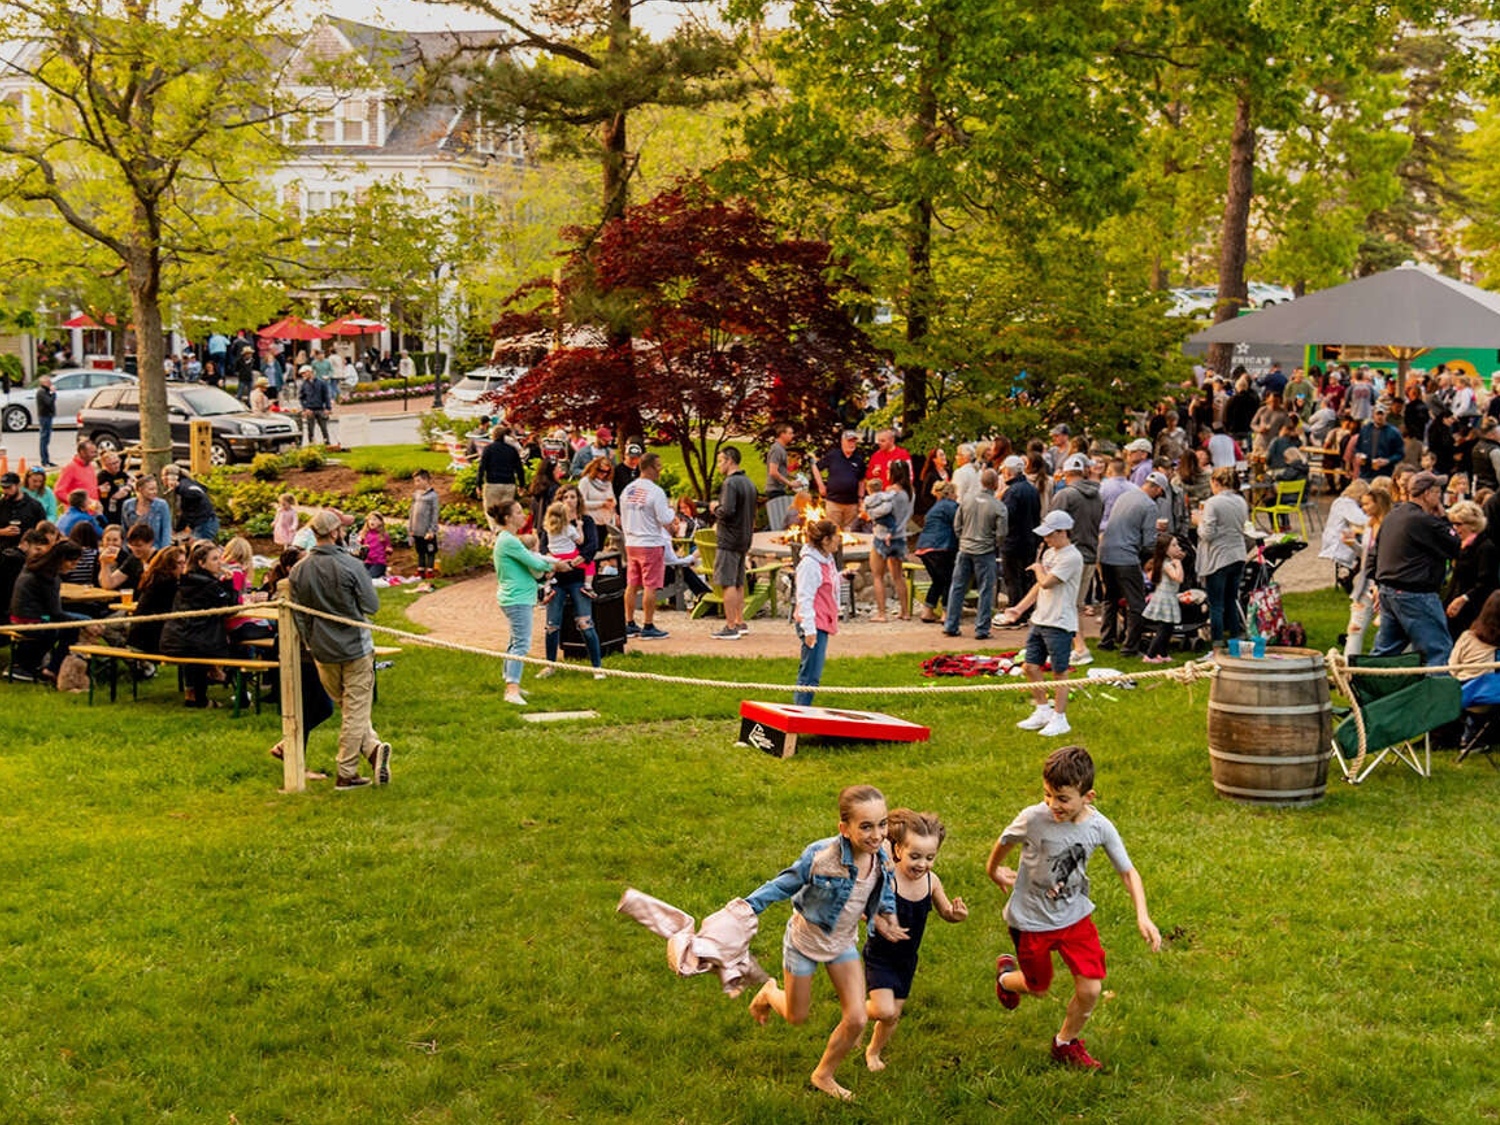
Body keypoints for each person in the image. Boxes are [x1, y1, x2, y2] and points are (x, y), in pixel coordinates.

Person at [989, 744, 1162, 1072]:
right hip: (1030, 921)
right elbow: (1005, 841)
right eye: (1047, 795)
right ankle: (1006, 978)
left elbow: (1128, 871)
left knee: (1091, 988)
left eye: (1063, 798)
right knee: (1038, 988)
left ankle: (1064, 1043)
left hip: (1074, 919)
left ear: (1089, 796)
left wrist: (1143, 914)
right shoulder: (1033, 817)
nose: (1053, 804)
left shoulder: (1099, 827)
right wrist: (993, 870)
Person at [746, 784, 905, 1102]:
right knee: (796, 1016)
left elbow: (884, 885)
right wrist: (745, 907)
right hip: (804, 942)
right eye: (866, 826)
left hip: (842, 942)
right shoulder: (822, 856)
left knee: (858, 1018)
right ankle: (768, 993)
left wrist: (885, 914)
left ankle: (823, 1075)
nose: (877, 835)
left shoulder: (882, 854)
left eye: (882, 824)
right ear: (844, 829)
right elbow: (783, 883)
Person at [289, 509, 392, 790]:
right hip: (354, 647)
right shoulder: (351, 565)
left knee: (351, 708)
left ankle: (372, 751)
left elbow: (299, 615)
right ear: (335, 533)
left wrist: (310, 640)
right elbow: (372, 606)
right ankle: (346, 774)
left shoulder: (299, 569)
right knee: (355, 710)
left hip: (321, 650)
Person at [861, 809, 968, 1073]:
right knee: (883, 1010)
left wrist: (955, 915)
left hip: (907, 959)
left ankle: (872, 1051)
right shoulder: (888, 881)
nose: (922, 864)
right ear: (897, 851)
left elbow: (944, 911)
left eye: (930, 857)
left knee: (892, 1015)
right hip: (881, 956)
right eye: (915, 856)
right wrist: (880, 922)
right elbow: (862, 909)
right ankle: (855, 1012)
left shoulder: (932, 882)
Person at [999, 510, 1084, 737]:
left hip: (1059, 622)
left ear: (1062, 532)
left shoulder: (1072, 557)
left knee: (1060, 672)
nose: (1045, 539)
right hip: (1040, 619)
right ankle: (1042, 710)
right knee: (1029, 666)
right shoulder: (1049, 553)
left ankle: (1060, 718)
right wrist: (1019, 609)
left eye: (1049, 535)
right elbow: (1038, 588)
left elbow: (1046, 582)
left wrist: (1038, 569)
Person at [1371, 470, 1461, 667]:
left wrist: (1375, 582)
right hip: (1416, 594)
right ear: (1427, 494)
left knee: (1385, 651)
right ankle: (1437, 696)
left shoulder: (1393, 515)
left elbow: (1374, 552)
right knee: (1438, 650)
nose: (1439, 497)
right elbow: (1455, 544)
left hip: (1388, 590)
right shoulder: (1424, 521)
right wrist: (1444, 517)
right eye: (1437, 492)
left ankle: (1368, 690)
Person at [491, 498, 567, 705]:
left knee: (515, 641)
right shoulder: (508, 540)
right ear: (507, 518)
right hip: (517, 598)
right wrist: (554, 567)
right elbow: (534, 561)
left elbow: (534, 559)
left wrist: (552, 564)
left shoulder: (509, 539)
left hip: (517, 596)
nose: (522, 515)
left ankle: (511, 682)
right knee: (521, 644)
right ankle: (511, 690)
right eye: (517, 512)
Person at [537, 485, 605, 680]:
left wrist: (579, 560)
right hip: (558, 578)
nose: (569, 500)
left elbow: (592, 545)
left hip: (577, 578)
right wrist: (555, 563)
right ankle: (550, 665)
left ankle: (597, 667)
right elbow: (543, 547)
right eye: (565, 497)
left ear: (578, 500)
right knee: (552, 624)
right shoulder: (551, 524)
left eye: (573, 496)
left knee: (585, 623)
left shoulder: (585, 521)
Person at [160, 541, 236, 709]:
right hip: (195, 642)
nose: (220, 563)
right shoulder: (209, 585)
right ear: (202, 563)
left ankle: (194, 693)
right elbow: (231, 609)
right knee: (236, 645)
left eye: (219, 558)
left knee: (197, 642)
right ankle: (210, 693)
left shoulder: (186, 581)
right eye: (214, 559)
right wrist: (229, 584)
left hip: (173, 640)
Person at [1048, 453, 1102, 666]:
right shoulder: (1097, 496)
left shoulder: (1066, 495)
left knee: (1066, 605)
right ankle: (1068, 646)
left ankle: (1080, 648)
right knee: (1074, 604)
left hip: (1070, 556)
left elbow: (1052, 524)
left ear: (1066, 473)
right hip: (1089, 553)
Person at [1096, 476, 1159, 657]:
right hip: (1126, 558)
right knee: (1136, 603)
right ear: (1157, 489)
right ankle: (1130, 647)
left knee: (1110, 598)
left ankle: (1106, 640)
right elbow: (1149, 542)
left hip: (1106, 553)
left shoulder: (1124, 496)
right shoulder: (1149, 506)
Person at [8, 538, 87, 681]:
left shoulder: (33, 567)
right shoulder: (49, 578)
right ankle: (52, 669)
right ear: (61, 560)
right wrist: (81, 624)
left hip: (18, 617)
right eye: (72, 563)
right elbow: (55, 614)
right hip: (34, 620)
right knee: (74, 627)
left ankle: (31, 664)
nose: (73, 567)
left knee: (78, 620)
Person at [943, 468, 1006, 639]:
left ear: (981, 482)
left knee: (957, 587)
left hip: (965, 548)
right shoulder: (999, 506)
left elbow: (957, 524)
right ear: (995, 484)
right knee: (986, 590)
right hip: (985, 551)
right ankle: (982, 628)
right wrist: (993, 543)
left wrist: (963, 538)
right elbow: (1001, 534)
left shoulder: (967, 500)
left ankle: (951, 624)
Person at [619, 452, 676, 640]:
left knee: (632, 583)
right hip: (650, 542)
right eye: (658, 466)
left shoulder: (627, 490)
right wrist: (671, 510)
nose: (660, 470)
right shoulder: (655, 492)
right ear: (650, 467)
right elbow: (665, 518)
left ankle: (629, 622)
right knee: (650, 585)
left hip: (631, 541)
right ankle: (648, 624)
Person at [1198, 466, 1250, 650]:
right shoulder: (1241, 501)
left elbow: (1207, 534)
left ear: (1216, 482)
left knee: (1216, 604)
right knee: (1231, 599)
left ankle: (1218, 643)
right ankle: (1235, 639)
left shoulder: (1213, 503)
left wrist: (1198, 522)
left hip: (1218, 556)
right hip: (1237, 554)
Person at [710, 446, 759, 639]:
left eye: (721, 460)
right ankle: (740, 621)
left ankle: (730, 626)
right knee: (739, 582)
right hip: (744, 537)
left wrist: (715, 508)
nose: (719, 465)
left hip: (729, 539)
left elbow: (728, 511)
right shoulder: (748, 483)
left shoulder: (730, 483)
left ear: (730, 460)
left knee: (727, 582)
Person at [792, 518, 841, 705]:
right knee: (810, 675)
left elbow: (826, 584)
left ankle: (802, 711)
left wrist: (843, 578)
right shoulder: (810, 565)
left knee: (812, 672)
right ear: (826, 540)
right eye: (836, 536)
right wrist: (809, 630)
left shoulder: (826, 560)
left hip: (821, 621)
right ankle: (800, 714)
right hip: (813, 623)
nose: (838, 539)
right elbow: (805, 597)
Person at [862, 458, 913, 623]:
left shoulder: (890, 492)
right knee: (898, 576)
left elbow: (880, 511)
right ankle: (905, 612)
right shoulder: (910, 493)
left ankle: (881, 613)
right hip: (900, 536)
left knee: (878, 575)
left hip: (882, 536)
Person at [1345, 485, 1392, 657]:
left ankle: (1384, 666)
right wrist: (1352, 545)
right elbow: (1366, 556)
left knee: (1389, 632)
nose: (1363, 508)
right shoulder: (1369, 527)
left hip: (1385, 584)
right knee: (1354, 628)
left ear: (1378, 504)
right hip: (1365, 583)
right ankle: (1349, 669)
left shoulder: (1390, 527)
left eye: (1367, 504)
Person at [1443, 500, 1498, 639]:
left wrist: (1463, 599)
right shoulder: (1460, 546)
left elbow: (1486, 583)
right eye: (1453, 524)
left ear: (1472, 525)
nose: (1454, 528)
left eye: (1459, 524)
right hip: (1455, 608)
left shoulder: (1486, 548)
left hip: (1475, 610)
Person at [998, 455, 1041, 625]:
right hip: (1030, 540)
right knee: (1025, 577)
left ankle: (1015, 612)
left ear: (1009, 472)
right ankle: (1026, 610)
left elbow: (1007, 516)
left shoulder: (1013, 492)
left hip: (1014, 541)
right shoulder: (1032, 489)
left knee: (1013, 578)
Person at [127, 544, 186, 655]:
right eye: (179, 563)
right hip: (148, 640)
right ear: (169, 565)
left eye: (184, 563)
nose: (183, 567)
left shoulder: (154, 578)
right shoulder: (166, 583)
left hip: (138, 637)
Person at [913, 481, 958, 624]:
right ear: (949, 493)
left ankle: (928, 611)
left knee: (938, 580)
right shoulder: (950, 506)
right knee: (948, 580)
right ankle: (946, 613)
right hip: (941, 546)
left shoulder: (935, 507)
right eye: (955, 493)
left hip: (924, 547)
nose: (957, 496)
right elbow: (959, 523)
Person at [1140, 534, 1186, 663]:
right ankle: (1150, 655)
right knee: (1163, 629)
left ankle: (1162, 653)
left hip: (1168, 596)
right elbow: (1178, 578)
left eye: (1177, 544)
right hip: (1165, 598)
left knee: (1168, 628)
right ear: (1165, 548)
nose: (1178, 547)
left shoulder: (1167, 562)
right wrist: (1178, 564)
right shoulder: (1166, 564)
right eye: (1174, 545)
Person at [541, 499, 596, 599]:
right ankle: (588, 586)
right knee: (590, 564)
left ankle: (547, 588)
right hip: (570, 554)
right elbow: (580, 541)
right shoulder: (569, 528)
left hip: (553, 556)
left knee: (550, 570)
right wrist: (579, 527)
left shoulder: (549, 528)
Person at [814, 431, 866, 530]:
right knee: (832, 532)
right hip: (834, 502)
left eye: (854, 442)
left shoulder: (859, 459)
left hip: (852, 504)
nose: (852, 444)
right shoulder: (833, 455)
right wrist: (820, 485)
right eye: (849, 441)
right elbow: (815, 467)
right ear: (842, 442)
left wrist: (861, 499)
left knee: (851, 533)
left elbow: (861, 480)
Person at [479, 424, 527, 530]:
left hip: (493, 483)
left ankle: (496, 530)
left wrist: (478, 484)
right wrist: (522, 485)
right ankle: (504, 530)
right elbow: (519, 469)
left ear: (493, 436)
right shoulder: (511, 450)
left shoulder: (488, 449)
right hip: (509, 484)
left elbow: (482, 467)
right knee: (505, 510)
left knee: (490, 510)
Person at [161, 465, 219, 542]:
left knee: (200, 550)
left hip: (204, 524)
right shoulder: (187, 483)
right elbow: (186, 512)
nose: (162, 479)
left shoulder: (184, 487)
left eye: (163, 476)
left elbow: (196, 494)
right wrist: (179, 529)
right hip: (205, 522)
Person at [121, 474, 173, 552]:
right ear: (140, 489)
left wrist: (163, 553)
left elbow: (166, 531)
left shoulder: (161, 505)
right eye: (151, 489)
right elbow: (125, 530)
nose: (155, 492)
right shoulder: (128, 505)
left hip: (155, 550)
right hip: (133, 551)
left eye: (156, 489)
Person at [409, 469, 440, 591]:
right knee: (420, 550)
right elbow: (412, 511)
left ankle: (430, 570)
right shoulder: (416, 494)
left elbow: (434, 513)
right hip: (417, 529)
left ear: (426, 480)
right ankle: (420, 569)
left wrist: (432, 530)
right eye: (415, 481)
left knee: (430, 551)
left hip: (427, 530)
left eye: (418, 480)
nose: (416, 483)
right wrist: (411, 528)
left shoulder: (433, 496)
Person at [1354, 405, 1404, 480]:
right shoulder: (1365, 430)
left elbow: (1400, 453)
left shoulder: (1394, 432)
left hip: (1385, 473)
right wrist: (1358, 455)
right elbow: (1358, 447)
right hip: (1365, 473)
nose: (1379, 417)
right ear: (1373, 415)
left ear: (1386, 415)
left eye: (1382, 414)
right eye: (1377, 414)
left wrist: (1388, 460)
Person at [765, 423, 797, 531]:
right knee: (778, 521)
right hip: (774, 489)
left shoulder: (781, 449)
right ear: (782, 434)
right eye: (790, 433)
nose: (793, 435)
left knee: (779, 520)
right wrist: (790, 483)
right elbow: (773, 471)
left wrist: (793, 477)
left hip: (779, 489)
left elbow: (780, 471)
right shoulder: (777, 449)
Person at [52, 440, 99, 508]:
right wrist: (77, 503)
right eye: (92, 453)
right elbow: (59, 492)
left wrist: (99, 490)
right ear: (82, 453)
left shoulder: (89, 466)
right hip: (78, 514)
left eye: (95, 452)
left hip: (92, 512)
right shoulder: (70, 468)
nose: (95, 455)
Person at [297, 363, 333, 446]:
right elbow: (301, 398)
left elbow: (326, 396)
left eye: (304, 373)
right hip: (310, 410)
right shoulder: (304, 384)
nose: (303, 375)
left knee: (324, 428)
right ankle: (312, 444)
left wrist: (328, 408)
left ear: (310, 372)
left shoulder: (321, 383)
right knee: (310, 430)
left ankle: (327, 444)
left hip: (320, 408)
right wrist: (305, 408)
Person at [96, 450, 131, 527]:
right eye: (113, 464)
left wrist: (129, 487)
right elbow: (103, 497)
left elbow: (129, 482)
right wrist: (114, 496)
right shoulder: (102, 477)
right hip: (110, 513)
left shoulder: (121, 474)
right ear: (105, 465)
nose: (117, 465)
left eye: (117, 462)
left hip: (124, 510)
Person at [578, 457, 617, 526]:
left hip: (606, 521)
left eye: (607, 472)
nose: (604, 474)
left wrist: (612, 503)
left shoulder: (608, 483)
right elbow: (581, 503)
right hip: (590, 522)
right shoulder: (585, 482)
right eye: (601, 471)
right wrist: (601, 504)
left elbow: (613, 499)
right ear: (595, 469)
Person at [358, 512, 392, 579]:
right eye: (370, 519)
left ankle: (383, 571)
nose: (372, 521)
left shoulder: (384, 535)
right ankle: (382, 573)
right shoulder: (364, 534)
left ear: (380, 522)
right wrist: (359, 541)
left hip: (379, 562)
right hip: (367, 562)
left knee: (370, 577)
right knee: (361, 577)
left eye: (374, 519)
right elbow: (359, 547)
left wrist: (389, 550)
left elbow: (389, 548)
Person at [35, 373, 56, 466]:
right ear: (44, 383)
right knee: (44, 438)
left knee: (46, 439)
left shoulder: (45, 391)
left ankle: (47, 460)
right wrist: (53, 393)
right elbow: (49, 402)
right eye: (48, 382)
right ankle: (44, 460)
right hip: (44, 416)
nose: (50, 383)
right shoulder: (41, 392)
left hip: (48, 416)